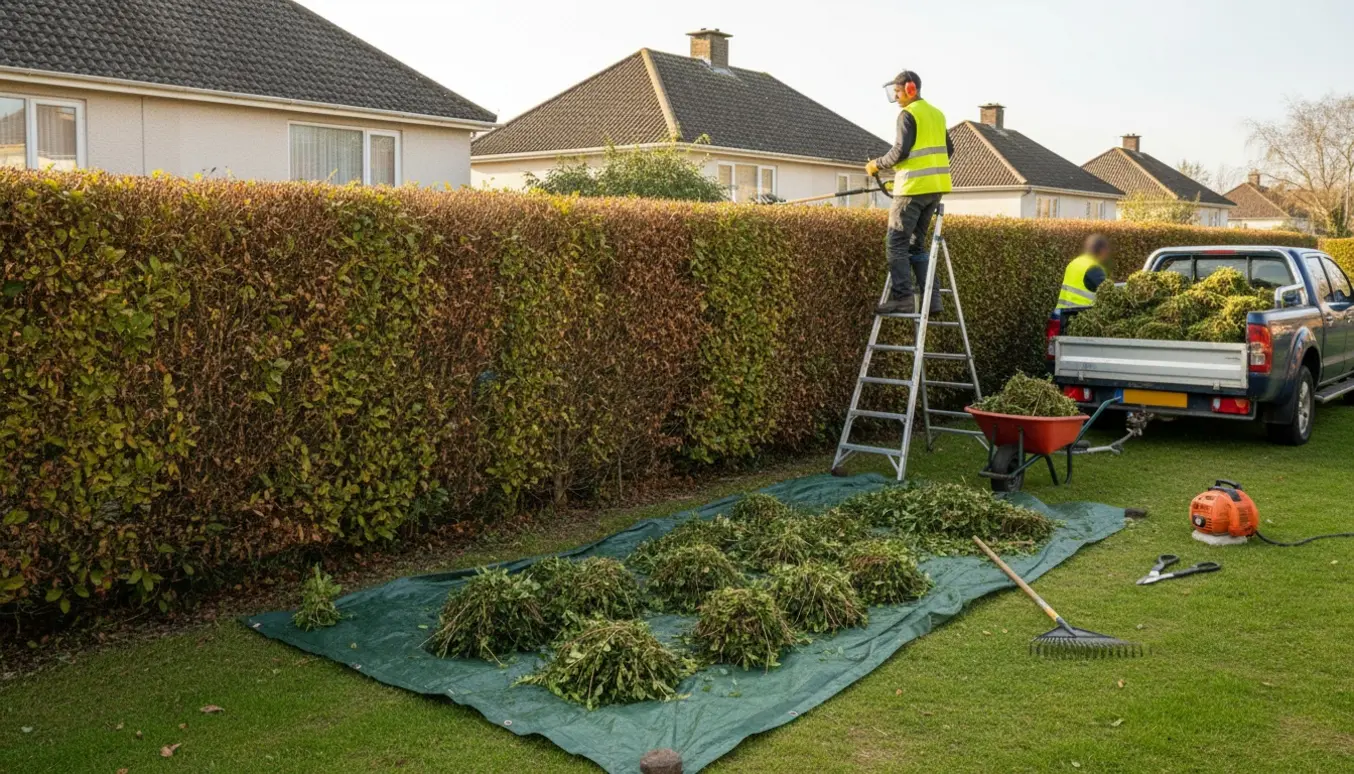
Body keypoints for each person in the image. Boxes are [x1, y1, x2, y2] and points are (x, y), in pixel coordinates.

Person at [866, 70, 954, 316]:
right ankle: (932, 300)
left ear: (910, 89)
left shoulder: (908, 114)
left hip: (912, 191)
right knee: (917, 245)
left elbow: (900, 151)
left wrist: (877, 164)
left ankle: (903, 297)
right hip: (934, 190)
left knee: (895, 243)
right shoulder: (937, 114)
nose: (895, 97)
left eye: (897, 91)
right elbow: (949, 149)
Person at [1057, 234, 1111, 310]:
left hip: (1064, 313)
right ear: (1102, 250)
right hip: (1083, 314)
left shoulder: (1074, 263)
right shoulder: (1094, 268)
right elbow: (1108, 292)